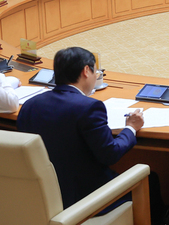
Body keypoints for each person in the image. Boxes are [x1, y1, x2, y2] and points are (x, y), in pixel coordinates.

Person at [17, 47, 145, 212]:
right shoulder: (89, 107)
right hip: (84, 199)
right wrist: (131, 128)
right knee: (151, 180)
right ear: (86, 71)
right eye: (95, 72)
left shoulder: (30, 105)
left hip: (40, 198)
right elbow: (110, 154)